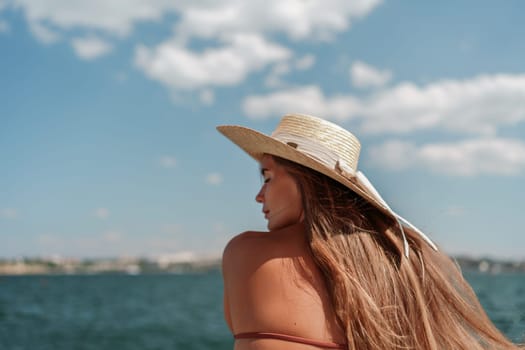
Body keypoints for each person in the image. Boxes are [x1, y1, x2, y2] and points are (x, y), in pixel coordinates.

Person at [217, 113, 522, 350]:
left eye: (267, 177)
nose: (259, 196)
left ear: (306, 180)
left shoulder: (248, 255)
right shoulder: (398, 267)